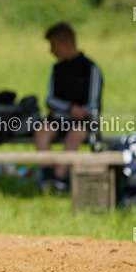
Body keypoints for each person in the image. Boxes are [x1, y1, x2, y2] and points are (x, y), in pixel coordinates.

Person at [34, 22, 102, 190]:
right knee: (41, 130)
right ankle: (47, 175)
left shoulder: (90, 68)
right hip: (60, 118)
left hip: (84, 122)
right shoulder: (57, 69)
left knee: (76, 134)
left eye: (53, 45)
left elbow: (92, 105)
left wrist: (76, 111)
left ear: (66, 44)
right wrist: (70, 109)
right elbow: (50, 100)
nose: (50, 50)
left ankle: (58, 178)